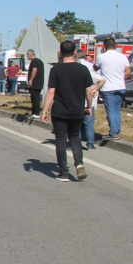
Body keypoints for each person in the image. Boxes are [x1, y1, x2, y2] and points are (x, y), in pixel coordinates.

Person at [41, 41, 94, 182]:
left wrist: (44, 111)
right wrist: (88, 106)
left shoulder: (56, 70)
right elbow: (89, 91)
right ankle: (79, 163)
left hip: (60, 111)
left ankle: (64, 172)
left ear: (60, 53)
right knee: (75, 137)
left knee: (61, 140)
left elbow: (51, 92)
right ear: (75, 52)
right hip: (77, 110)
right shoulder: (83, 69)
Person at [94, 38, 132, 140]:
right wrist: (119, 74)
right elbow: (128, 71)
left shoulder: (101, 56)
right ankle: (117, 130)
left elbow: (95, 68)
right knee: (116, 110)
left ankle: (113, 132)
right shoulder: (123, 57)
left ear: (104, 46)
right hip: (120, 86)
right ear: (116, 45)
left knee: (110, 110)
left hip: (108, 87)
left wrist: (102, 54)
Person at [79, 54, 106, 150]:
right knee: (88, 124)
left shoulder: (87, 74)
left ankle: (79, 143)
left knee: (80, 124)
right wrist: (96, 89)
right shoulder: (89, 74)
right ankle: (90, 144)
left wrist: (96, 89)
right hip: (88, 103)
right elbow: (102, 80)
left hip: (80, 103)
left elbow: (102, 80)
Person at [26, 49, 44, 118]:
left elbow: (34, 70)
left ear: (30, 54)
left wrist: (30, 80)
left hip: (36, 83)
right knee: (33, 98)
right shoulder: (39, 61)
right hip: (39, 82)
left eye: (27, 55)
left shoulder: (34, 61)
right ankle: (33, 113)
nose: (27, 56)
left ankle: (36, 113)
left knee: (35, 98)